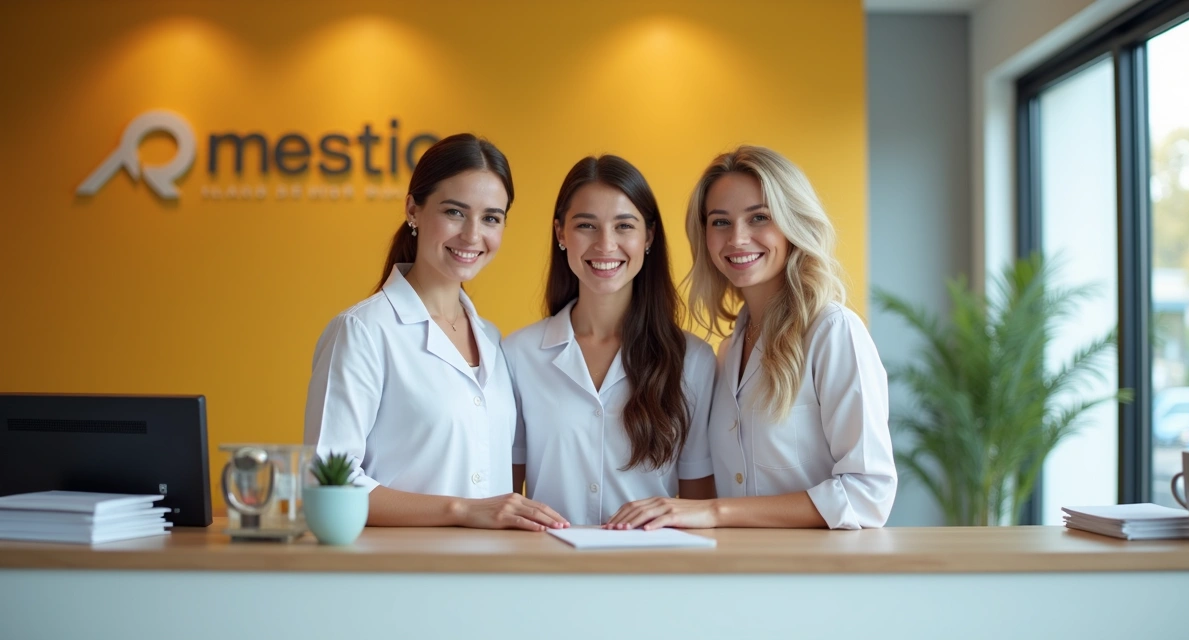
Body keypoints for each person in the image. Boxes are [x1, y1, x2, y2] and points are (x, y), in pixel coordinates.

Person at [607, 145, 896, 530]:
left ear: (794, 224)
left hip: (819, 579)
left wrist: (714, 512)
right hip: (740, 576)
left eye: (759, 218)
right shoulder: (727, 354)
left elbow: (868, 494)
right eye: (721, 222)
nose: (738, 239)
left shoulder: (832, 333)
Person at [304, 133, 568, 531]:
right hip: (400, 577)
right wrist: (462, 510)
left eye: (491, 218)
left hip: (488, 577)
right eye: (455, 212)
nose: (472, 235)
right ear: (413, 208)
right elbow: (327, 482)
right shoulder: (362, 331)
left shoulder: (493, 341)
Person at [503, 155, 716, 526]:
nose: (605, 244)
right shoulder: (517, 354)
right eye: (586, 225)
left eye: (624, 226)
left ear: (648, 236)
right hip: (546, 571)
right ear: (561, 234)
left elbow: (699, 505)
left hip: (650, 574)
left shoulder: (693, 359)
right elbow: (504, 494)